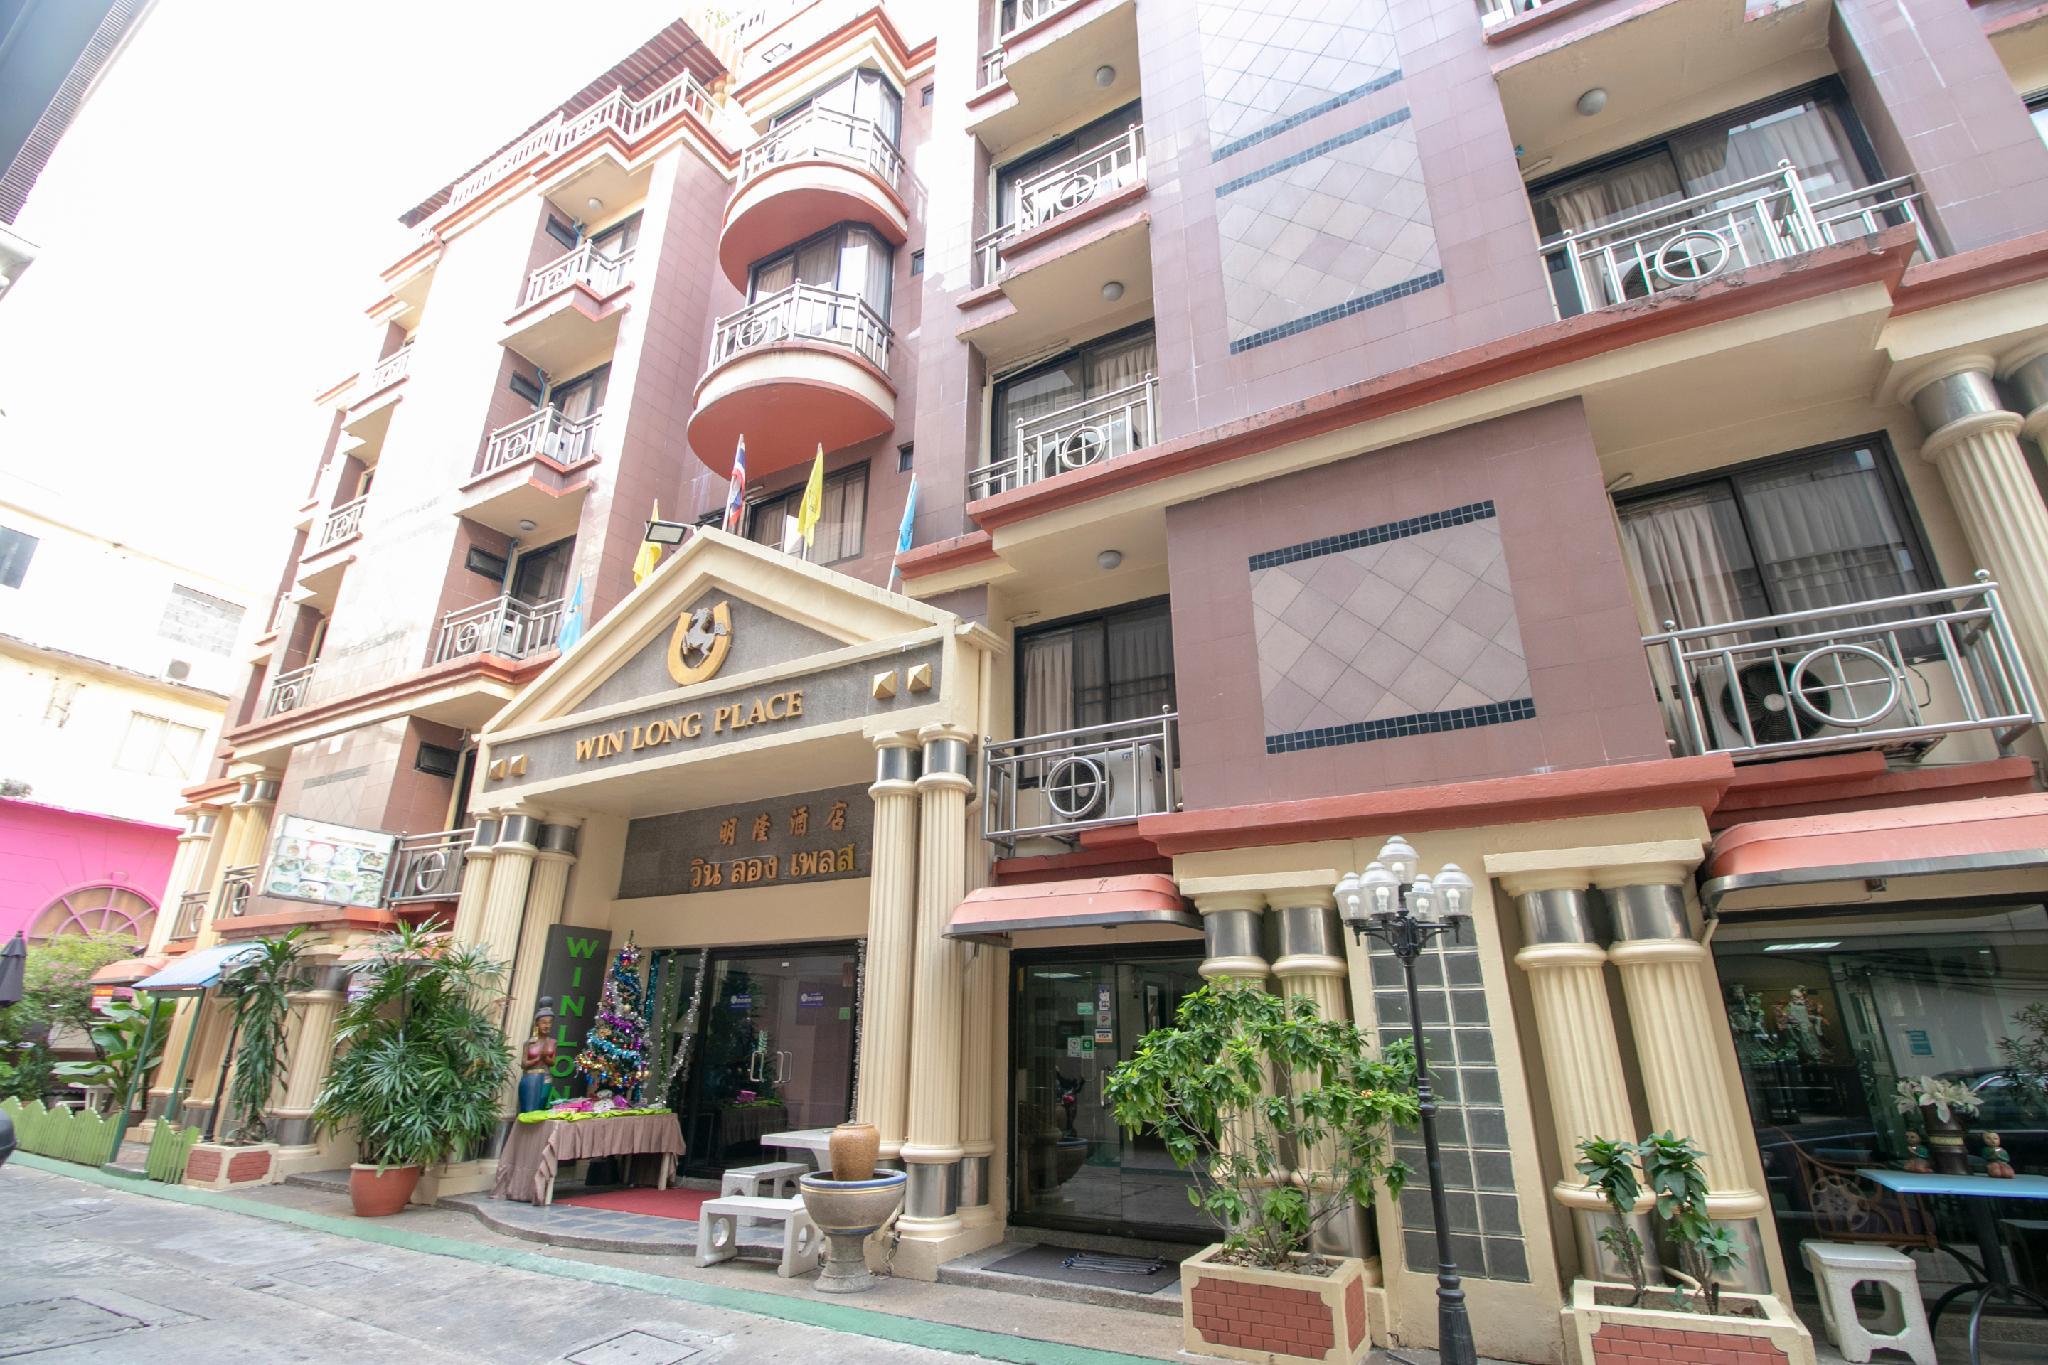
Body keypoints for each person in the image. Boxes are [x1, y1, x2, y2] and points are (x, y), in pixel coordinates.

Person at [518, 998, 558, 1114]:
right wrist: (538, 1058)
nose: (547, 1025)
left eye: (549, 1022)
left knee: (540, 1107)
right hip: (530, 1077)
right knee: (528, 1109)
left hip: (546, 1078)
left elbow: (552, 1062)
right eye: (544, 1022)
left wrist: (545, 1057)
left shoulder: (552, 1042)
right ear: (537, 1023)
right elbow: (524, 1064)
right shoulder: (529, 1043)